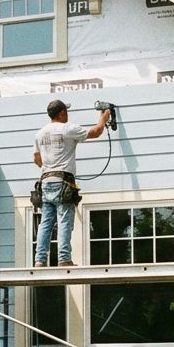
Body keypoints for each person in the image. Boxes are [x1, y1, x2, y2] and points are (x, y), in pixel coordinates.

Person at [33, 99, 111, 267]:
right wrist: (104, 116)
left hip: (45, 181)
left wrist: (51, 159)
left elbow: (37, 160)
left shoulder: (40, 134)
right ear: (61, 113)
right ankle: (64, 259)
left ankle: (39, 260)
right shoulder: (67, 129)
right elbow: (96, 132)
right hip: (63, 181)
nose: (67, 114)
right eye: (66, 111)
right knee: (64, 220)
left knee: (46, 222)